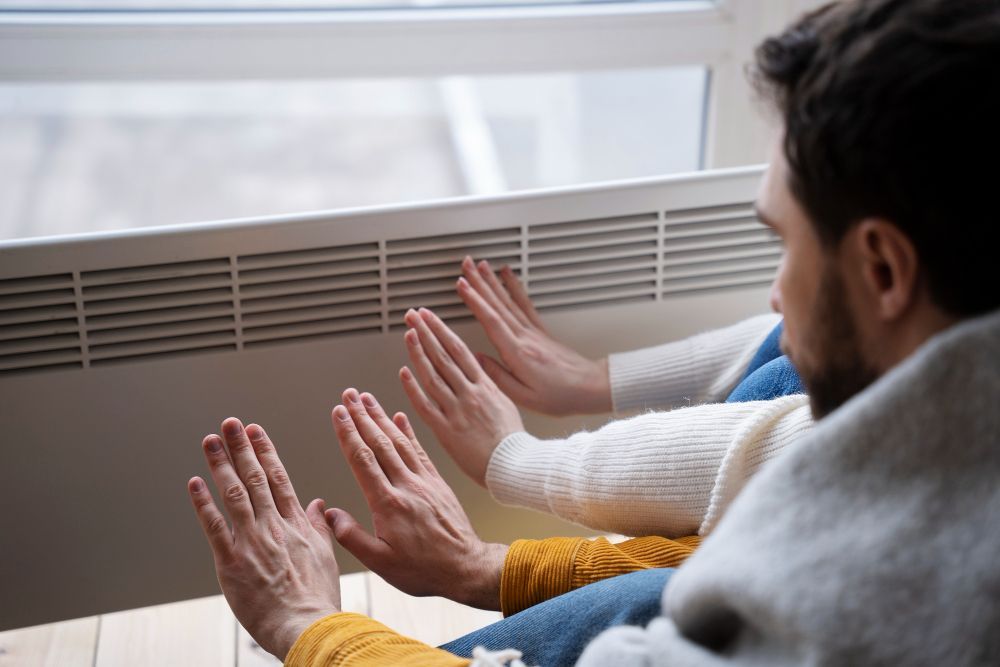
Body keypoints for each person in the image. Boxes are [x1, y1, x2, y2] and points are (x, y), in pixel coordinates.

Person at [186, 0, 1000, 664]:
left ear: (886, 269)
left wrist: (308, 625)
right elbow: (768, 437)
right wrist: (489, 553)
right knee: (798, 363)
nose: (775, 290)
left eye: (783, 243)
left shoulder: (847, 608)